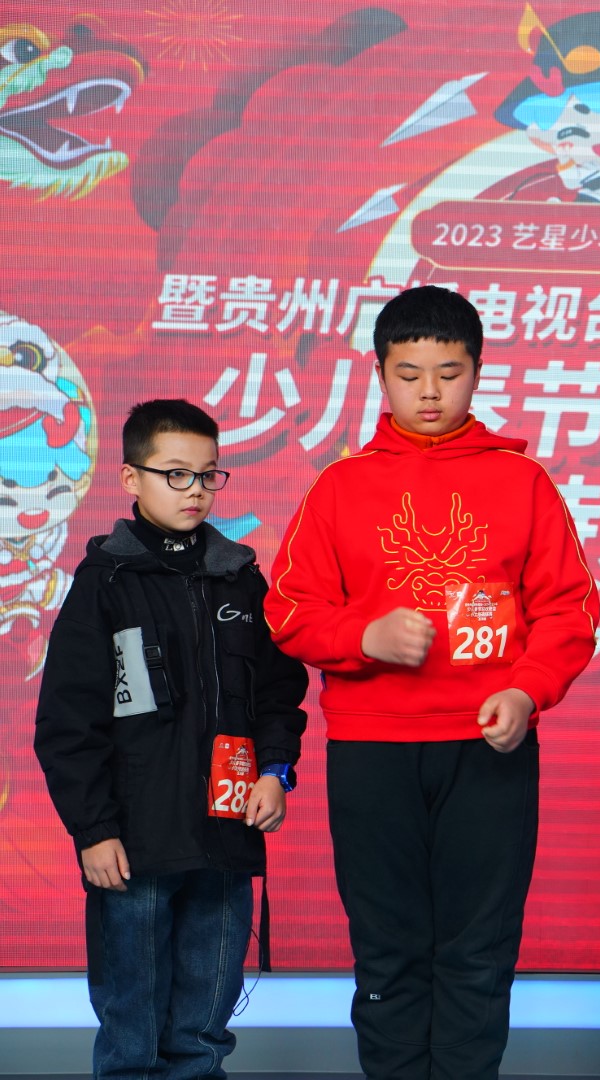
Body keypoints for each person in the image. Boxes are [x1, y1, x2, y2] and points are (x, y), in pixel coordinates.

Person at [265, 285, 599, 1080]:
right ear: (379, 374)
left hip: (488, 748)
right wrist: (363, 637)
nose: (428, 392)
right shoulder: (340, 485)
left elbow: (570, 609)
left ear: (476, 372)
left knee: (478, 948)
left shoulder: (523, 481)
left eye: (448, 374)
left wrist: (526, 690)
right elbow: (288, 610)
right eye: (408, 374)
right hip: (372, 751)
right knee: (388, 948)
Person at [34, 398, 308, 1079]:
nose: (196, 491)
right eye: (176, 474)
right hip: (135, 847)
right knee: (132, 1030)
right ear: (131, 478)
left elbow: (279, 694)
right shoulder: (104, 583)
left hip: (225, 839)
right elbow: (67, 723)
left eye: (208, 475)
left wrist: (276, 770)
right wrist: (94, 830)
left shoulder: (241, 579)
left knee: (203, 1032)